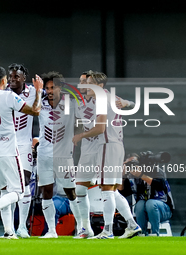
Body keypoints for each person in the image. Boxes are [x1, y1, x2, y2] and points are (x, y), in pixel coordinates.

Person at [0, 64, 43, 239]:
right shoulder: (8, 96)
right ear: (4, 80)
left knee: (4, 191)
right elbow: (34, 110)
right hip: (8, 150)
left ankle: (9, 232)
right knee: (18, 192)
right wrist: (39, 92)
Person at [72, 71, 141, 239]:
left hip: (107, 145)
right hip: (115, 145)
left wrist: (79, 136)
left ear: (100, 85)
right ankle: (132, 225)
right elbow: (130, 104)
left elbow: (100, 128)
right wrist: (125, 102)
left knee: (107, 189)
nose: (86, 86)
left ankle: (108, 231)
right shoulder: (109, 97)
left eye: (90, 83)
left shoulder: (102, 99)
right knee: (111, 189)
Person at [37, 71, 80, 239]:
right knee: (46, 192)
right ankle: (51, 231)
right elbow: (32, 111)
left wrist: (76, 137)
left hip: (64, 155)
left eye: (52, 87)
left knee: (71, 192)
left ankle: (83, 228)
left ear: (60, 88)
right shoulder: (40, 103)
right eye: (47, 88)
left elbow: (81, 121)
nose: (49, 91)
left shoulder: (70, 103)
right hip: (44, 155)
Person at [120, 154, 174, 236]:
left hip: (163, 209)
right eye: (129, 164)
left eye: (134, 163)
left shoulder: (156, 171)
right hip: (144, 211)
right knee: (140, 204)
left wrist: (141, 175)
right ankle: (141, 233)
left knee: (150, 203)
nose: (133, 166)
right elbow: (123, 193)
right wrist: (122, 176)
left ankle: (155, 233)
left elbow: (160, 185)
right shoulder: (131, 176)